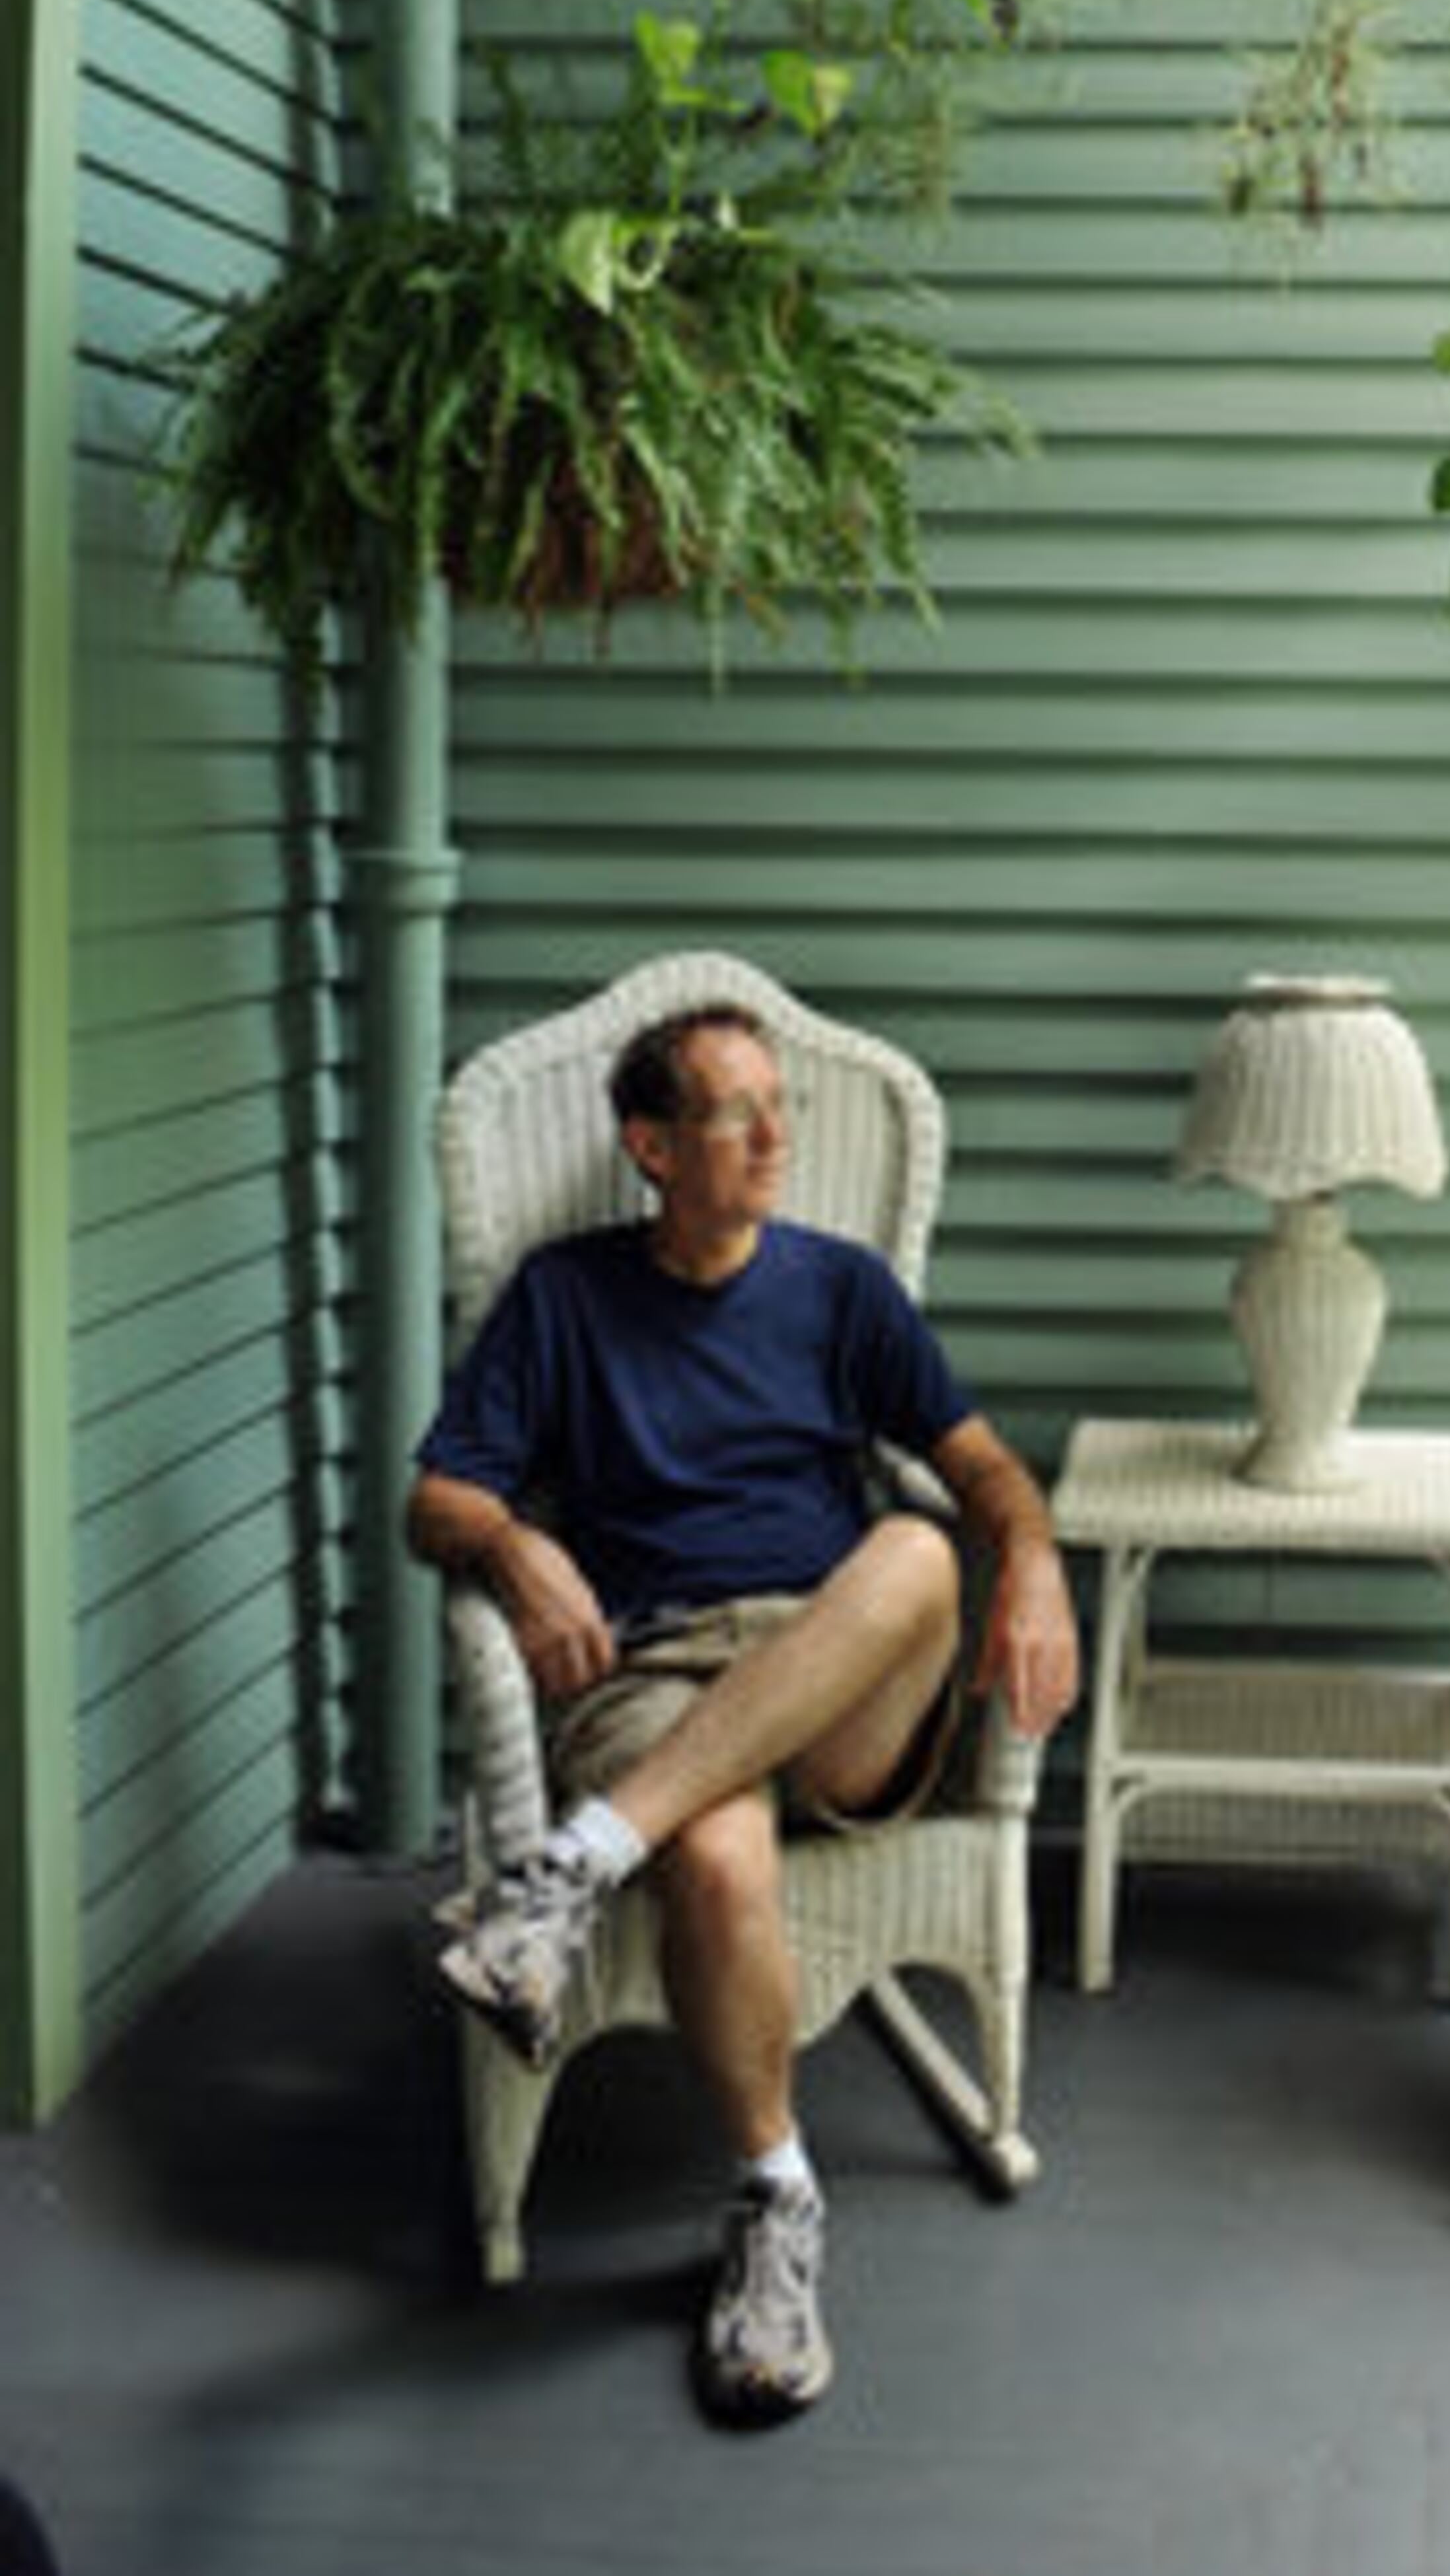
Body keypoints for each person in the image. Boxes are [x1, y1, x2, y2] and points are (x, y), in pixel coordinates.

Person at [409, 998, 1079, 2427]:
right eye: (733, 1111)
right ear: (651, 1144)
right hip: (649, 1672)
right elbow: (439, 1495)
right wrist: (515, 1544)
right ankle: (776, 2202)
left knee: (910, 1553)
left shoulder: (842, 1293)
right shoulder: (563, 1297)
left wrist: (1027, 1556)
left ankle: (564, 1877)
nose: (776, 1134)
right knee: (715, 1858)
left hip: (831, 1671)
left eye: (781, 1104)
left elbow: (985, 1472)